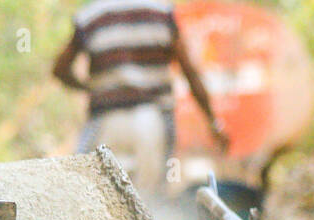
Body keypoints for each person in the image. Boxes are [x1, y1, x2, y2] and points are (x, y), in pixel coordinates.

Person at [53, 0, 229, 196]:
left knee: (98, 197)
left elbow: (60, 69)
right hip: (152, 122)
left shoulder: (91, 17)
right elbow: (190, 73)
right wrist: (213, 122)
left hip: (106, 124)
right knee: (150, 203)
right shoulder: (160, 12)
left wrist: (91, 87)